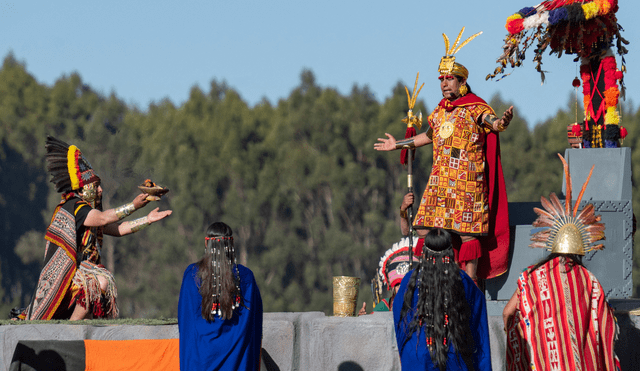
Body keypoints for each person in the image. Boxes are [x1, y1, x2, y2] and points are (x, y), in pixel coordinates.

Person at [375, 28, 512, 285]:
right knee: (424, 228)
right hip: (441, 182)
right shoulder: (439, 112)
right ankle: (436, 280)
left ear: (462, 82)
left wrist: (502, 122)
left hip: (467, 184)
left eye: (450, 79)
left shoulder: (475, 108)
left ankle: (469, 290)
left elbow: (493, 123)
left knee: (467, 236)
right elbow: (426, 137)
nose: (444, 84)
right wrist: (398, 145)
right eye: (442, 79)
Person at [20, 136, 172, 320]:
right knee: (99, 281)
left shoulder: (88, 211)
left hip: (84, 274)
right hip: (70, 277)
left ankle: (82, 325)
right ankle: (73, 327)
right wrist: (133, 205)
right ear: (84, 189)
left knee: (100, 281)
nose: (100, 190)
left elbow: (119, 229)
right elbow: (102, 218)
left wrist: (147, 219)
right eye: (96, 186)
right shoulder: (75, 206)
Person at [503, 154, 620, 371]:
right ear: (580, 250)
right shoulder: (589, 281)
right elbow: (604, 322)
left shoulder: (531, 277)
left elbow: (508, 313)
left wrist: (519, 342)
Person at [393, 228, 491, 371]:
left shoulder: (411, 280)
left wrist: (407, 352)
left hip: (417, 356)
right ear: (450, 252)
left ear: (424, 251)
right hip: (454, 354)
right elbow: (478, 326)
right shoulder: (464, 281)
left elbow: (400, 322)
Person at [178, 222, 263, 371]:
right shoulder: (245, 277)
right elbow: (253, 323)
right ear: (231, 244)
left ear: (206, 243)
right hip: (238, 362)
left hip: (200, 362)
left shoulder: (193, 275)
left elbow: (186, 323)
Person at [359, 237, 420, 315]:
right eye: (398, 285)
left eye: (406, 284)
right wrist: (362, 318)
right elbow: (370, 324)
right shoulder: (385, 306)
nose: (402, 288)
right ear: (393, 288)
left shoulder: (425, 305)